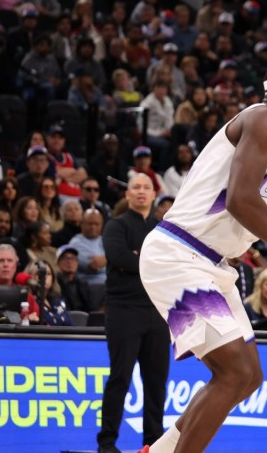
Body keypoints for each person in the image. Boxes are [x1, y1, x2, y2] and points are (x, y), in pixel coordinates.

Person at [137, 60, 267, 453]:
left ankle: (159, 450)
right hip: (180, 252)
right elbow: (241, 201)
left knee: (248, 376)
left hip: (209, 262)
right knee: (233, 372)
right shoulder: (264, 118)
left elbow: (258, 204)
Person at [97, 174, 169, 453]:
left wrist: (139, 258)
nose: (141, 192)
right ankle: (106, 442)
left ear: (154, 195)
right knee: (120, 377)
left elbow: (171, 263)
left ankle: (154, 443)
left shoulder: (162, 228)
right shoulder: (116, 225)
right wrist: (147, 261)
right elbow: (119, 258)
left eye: (146, 188)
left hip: (157, 312)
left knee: (156, 382)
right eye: (135, 187)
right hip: (123, 311)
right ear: (127, 195)